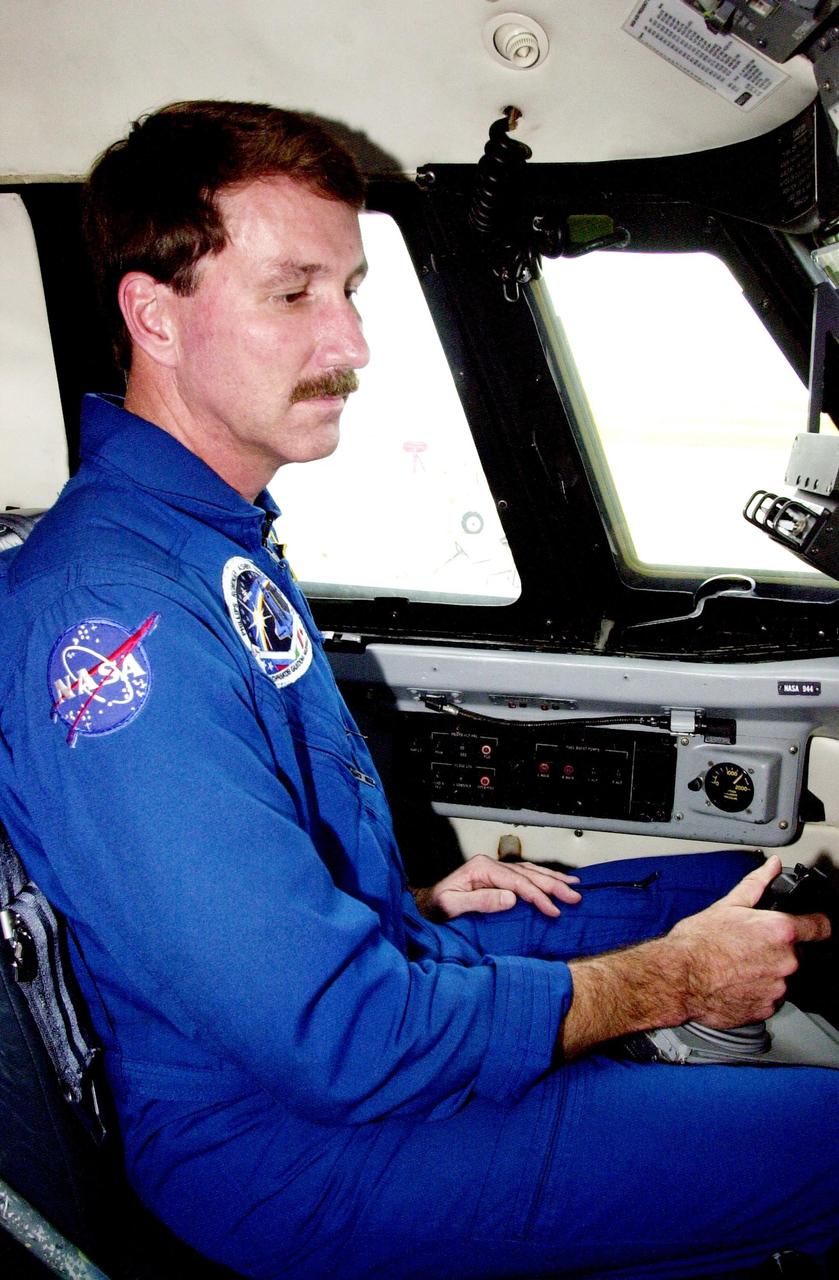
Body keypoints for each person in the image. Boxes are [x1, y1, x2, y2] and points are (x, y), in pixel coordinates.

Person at [0, 99, 836, 1280]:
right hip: (283, 1148)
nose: (349, 343)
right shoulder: (109, 618)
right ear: (156, 316)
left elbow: (222, 917)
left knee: (722, 885)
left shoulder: (201, 536)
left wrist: (411, 905)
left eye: (350, 291)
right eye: (293, 294)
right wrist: (675, 979)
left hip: (335, 1030)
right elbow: (332, 1037)